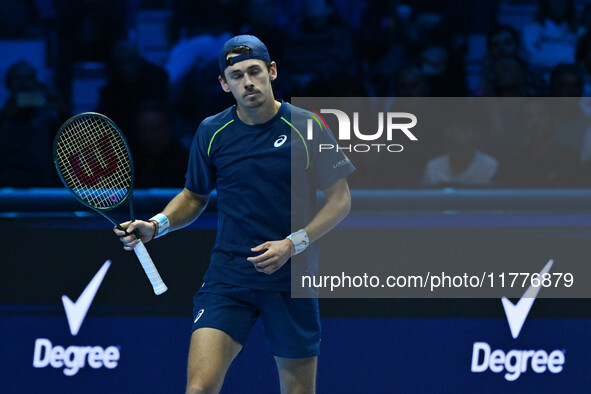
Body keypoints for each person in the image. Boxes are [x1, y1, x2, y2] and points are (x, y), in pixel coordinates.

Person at [113, 35, 355, 393]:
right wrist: (155, 226)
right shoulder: (212, 132)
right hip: (228, 279)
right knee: (199, 389)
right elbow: (194, 197)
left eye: (255, 71)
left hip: (291, 281)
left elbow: (340, 201)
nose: (248, 82)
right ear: (224, 83)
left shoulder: (309, 126)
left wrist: (292, 244)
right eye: (237, 75)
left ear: (272, 71)